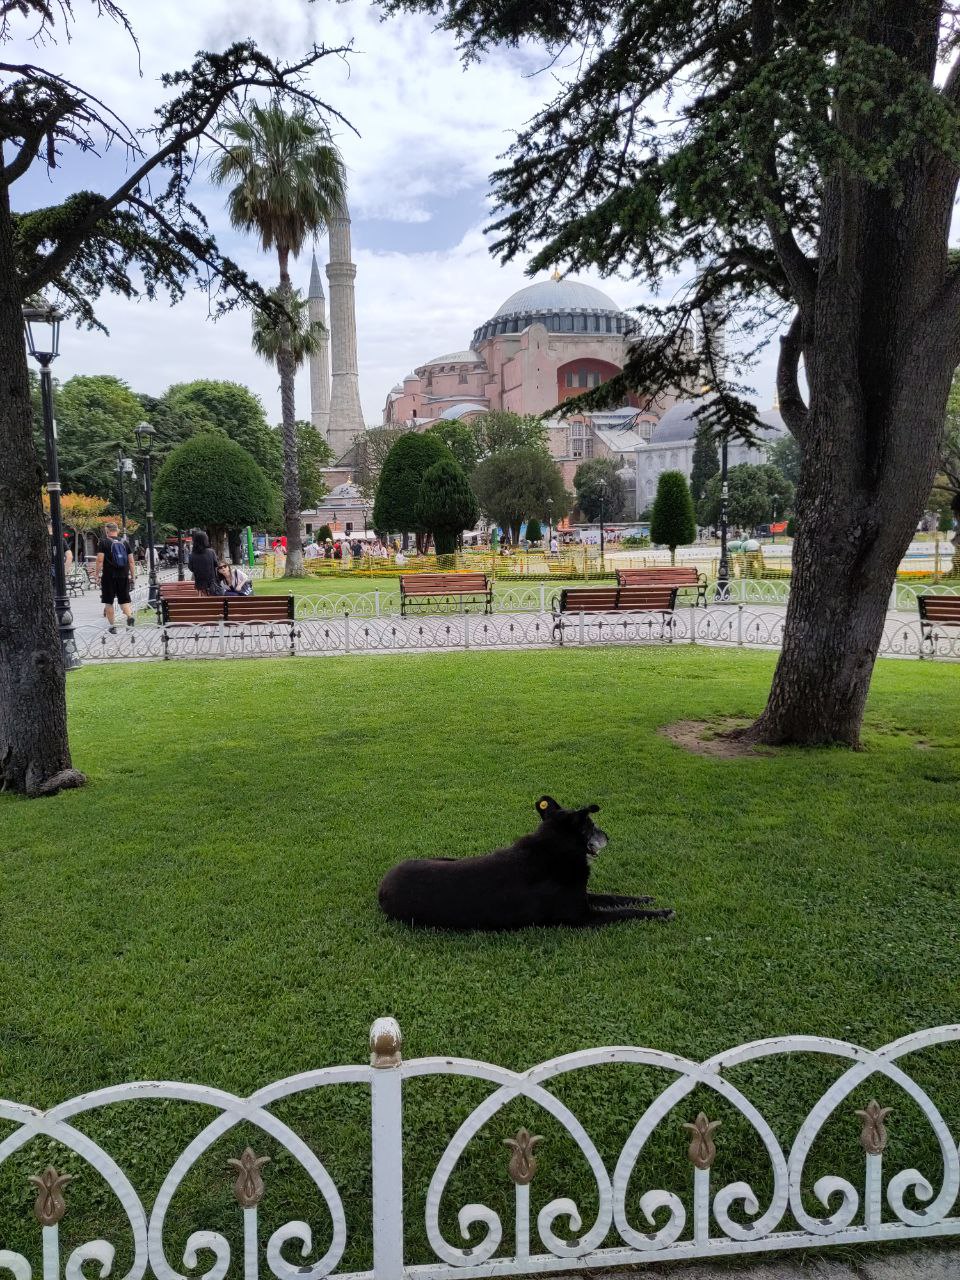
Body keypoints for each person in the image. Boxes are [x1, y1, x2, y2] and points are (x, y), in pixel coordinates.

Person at [94, 520, 136, 632]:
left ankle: (113, 627)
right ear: (117, 530)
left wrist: (96, 575)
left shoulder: (103, 542)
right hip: (123, 575)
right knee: (124, 600)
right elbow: (131, 561)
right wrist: (133, 576)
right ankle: (129, 617)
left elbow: (99, 560)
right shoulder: (125, 542)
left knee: (109, 602)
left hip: (108, 576)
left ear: (107, 531)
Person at [188, 530, 226, 595]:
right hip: (212, 586)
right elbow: (216, 564)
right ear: (205, 540)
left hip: (199, 587)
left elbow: (191, 568)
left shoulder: (192, 555)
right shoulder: (211, 552)